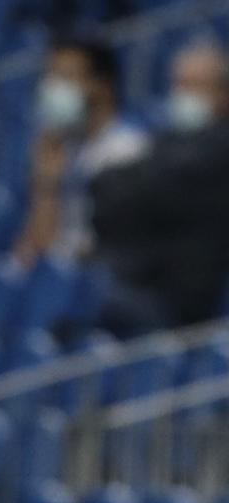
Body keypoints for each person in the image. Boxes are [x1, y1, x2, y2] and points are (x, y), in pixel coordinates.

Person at [89, 39, 229, 334]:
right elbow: (106, 185)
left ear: (223, 93)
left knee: (87, 302)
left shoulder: (219, 147)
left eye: (195, 86)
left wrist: (135, 189)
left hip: (179, 301)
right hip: (140, 281)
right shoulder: (170, 139)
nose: (183, 95)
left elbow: (150, 191)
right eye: (179, 84)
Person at [14, 36, 149, 264]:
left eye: (65, 77)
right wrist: (46, 183)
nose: (53, 88)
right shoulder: (63, 146)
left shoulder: (128, 151)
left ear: (102, 86)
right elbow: (31, 250)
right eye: (51, 76)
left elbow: (111, 246)